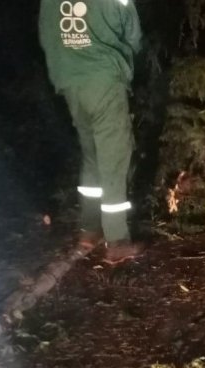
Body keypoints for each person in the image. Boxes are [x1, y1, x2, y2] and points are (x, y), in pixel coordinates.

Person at [39, 0, 145, 264]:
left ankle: (90, 228)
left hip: (69, 80)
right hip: (103, 79)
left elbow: (46, 34)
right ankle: (117, 240)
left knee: (92, 154)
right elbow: (133, 36)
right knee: (114, 158)